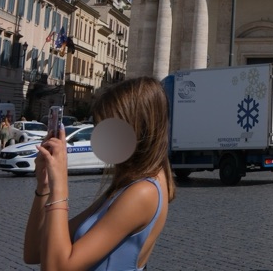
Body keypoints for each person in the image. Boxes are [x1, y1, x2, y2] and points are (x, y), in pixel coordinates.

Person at [23, 77, 175, 271]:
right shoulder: (124, 186)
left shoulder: (143, 192)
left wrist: (59, 186)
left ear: (136, 129)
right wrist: (44, 186)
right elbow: (34, 252)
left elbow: (56, 268)